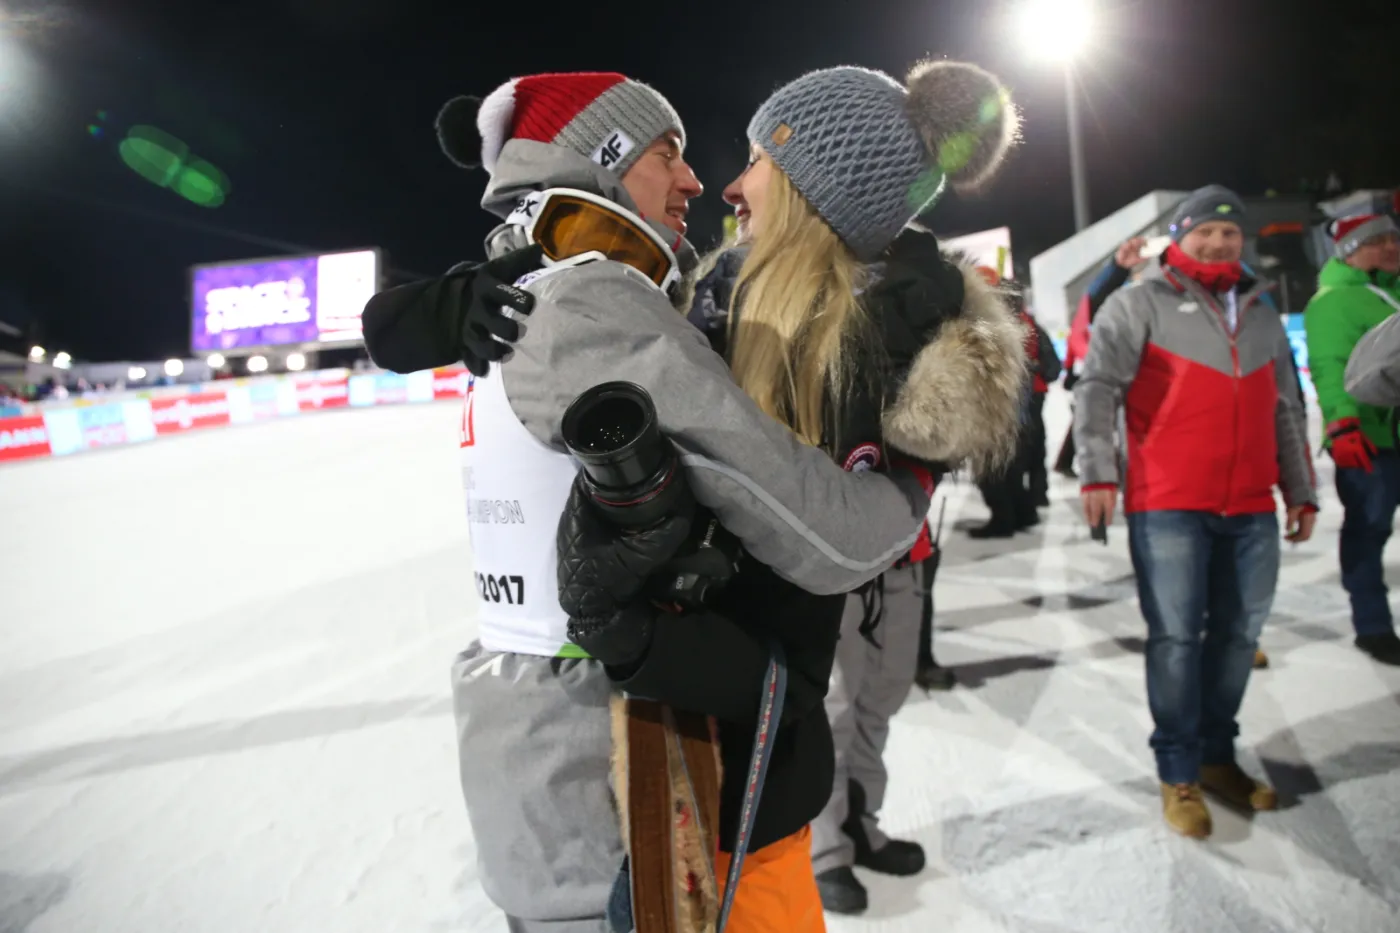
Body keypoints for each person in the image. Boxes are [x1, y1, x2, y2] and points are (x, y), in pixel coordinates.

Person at [370, 70, 964, 933]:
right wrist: (912, 485)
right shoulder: (589, 299)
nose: (701, 181)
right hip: (613, 758)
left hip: (577, 747)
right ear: (601, 161)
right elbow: (827, 534)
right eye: (667, 153)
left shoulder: (536, 285)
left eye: (745, 160)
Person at [556, 62, 1025, 930]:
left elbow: (785, 625)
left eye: (756, 160)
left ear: (816, 189)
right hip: (710, 766)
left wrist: (629, 631)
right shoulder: (731, 310)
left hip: (741, 784)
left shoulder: (848, 355)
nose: (730, 185)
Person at [1074, 184, 1318, 839]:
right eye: (1204, 232)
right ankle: (1178, 768)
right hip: (1168, 504)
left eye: (1230, 234)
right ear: (1179, 238)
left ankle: (1215, 755)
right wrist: (1097, 469)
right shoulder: (1137, 302)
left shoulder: (1262, 312)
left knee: (1239, 637)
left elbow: (1285, 409)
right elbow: (1097, 388)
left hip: (1251, 507)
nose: (1218, 242)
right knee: (1178, 640)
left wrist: (1300, 488)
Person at [1303, 213, 1400, 666]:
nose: (1390, 248)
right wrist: (1342, 423)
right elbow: (1330, 366)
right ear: (1350, 251)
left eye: (1393, 240)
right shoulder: (1333, 301)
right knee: (1369, 530)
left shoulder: (1390, 294)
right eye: (1377, 242)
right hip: (1370, 439)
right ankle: (1373, 625)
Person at [1056, 237, 1145, 478]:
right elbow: (1092, 300)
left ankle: (1068, 463)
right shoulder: (1091, 322)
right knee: (1092, 421)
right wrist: (1118, 270)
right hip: (1092, 376)